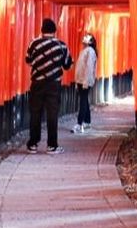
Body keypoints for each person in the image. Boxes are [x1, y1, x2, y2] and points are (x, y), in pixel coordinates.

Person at [24, 18, 72, 154]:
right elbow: (67, 64)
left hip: (37, 83)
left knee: (35, 113)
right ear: (55, 31)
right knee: (52, 114)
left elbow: (28, 60)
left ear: (42, 30)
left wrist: (40, 65)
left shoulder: (34, 44)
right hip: (54, 84)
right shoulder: (61, 46)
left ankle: (33, 144)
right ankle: (52, 145)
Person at [73, 33, 97, 133]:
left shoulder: (90, 51)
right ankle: (87, 121)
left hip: (84, 80)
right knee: (84, 100)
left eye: (87, 37)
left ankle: (80, 123)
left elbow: (89, 67)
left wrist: (86, 82)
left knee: (82, 100)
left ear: (91, 41)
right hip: (81, 79)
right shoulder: (84, 51)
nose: (84, 37)